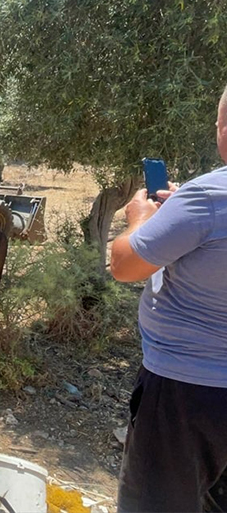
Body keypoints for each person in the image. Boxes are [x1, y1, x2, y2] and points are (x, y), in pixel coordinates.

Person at [110, 87, 227, 512]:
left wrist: (141, 220)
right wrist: (180, 216)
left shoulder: (209, 198)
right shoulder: (201, 204)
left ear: (223, 130)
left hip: (185, 395)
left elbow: (125, 265)